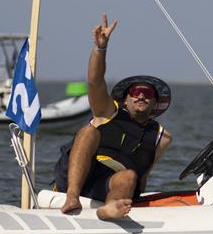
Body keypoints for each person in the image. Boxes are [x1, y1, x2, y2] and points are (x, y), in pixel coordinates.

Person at [54, 13, 173, 220]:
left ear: (155, 102)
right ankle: (72, 197)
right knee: (89, 131)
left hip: (110, 184)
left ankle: (110, 209)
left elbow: (143, 177)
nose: (142, 96)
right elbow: (95, 81)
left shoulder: (161, 137)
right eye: (136, 92)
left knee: (130, 176)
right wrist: (100, 48)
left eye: (148, 93)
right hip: (80, 173)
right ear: (125, 99)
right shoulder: (108, 111)